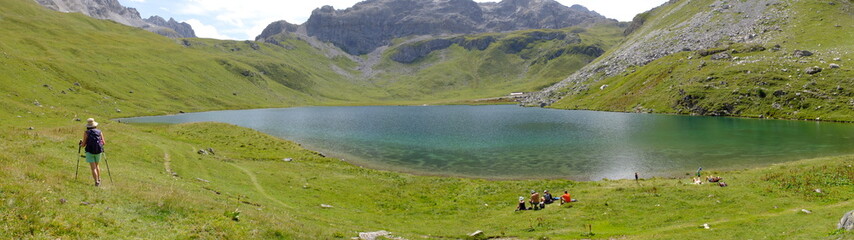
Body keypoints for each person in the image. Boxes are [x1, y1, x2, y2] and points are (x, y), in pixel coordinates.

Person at [79, 118, 105, 186]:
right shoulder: (99, 132)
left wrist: (80, 144)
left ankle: (96, 181)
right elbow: (103, 142)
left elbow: (83, 145)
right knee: (97, 165)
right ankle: (99, 179)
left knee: (93, 168)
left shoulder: (86, 132)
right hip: (98, 151)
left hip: (89, 152)